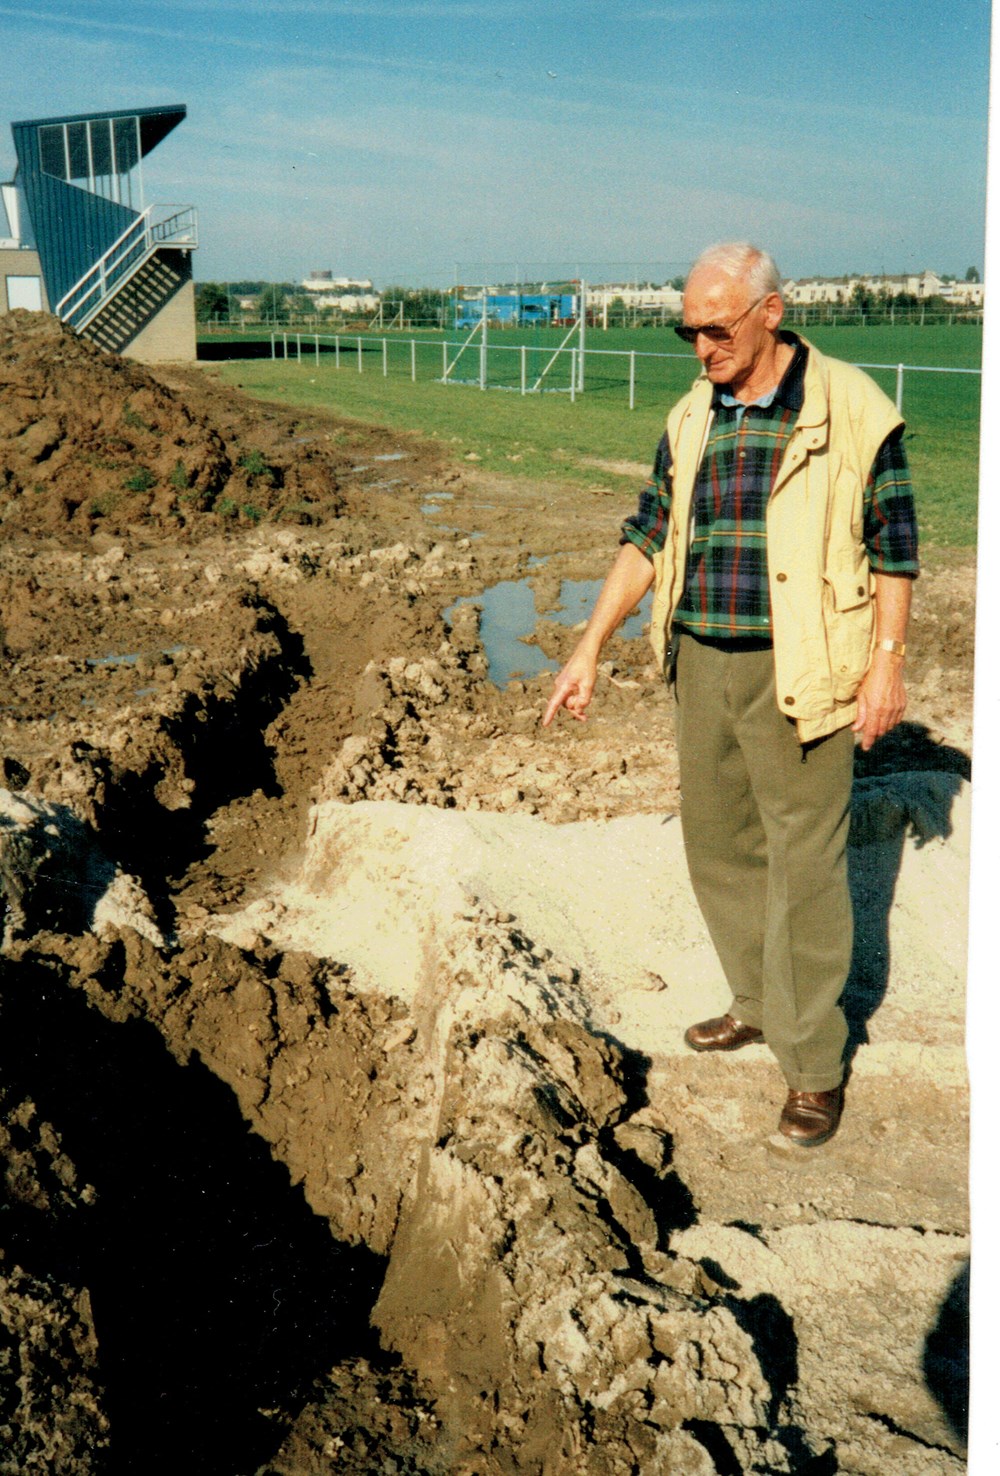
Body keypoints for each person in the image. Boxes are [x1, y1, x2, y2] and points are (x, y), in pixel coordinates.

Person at [542, 242, 918, 1147]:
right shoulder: (690, 416)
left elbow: (895, 544)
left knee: (807, 864)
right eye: (689, 331)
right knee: (719, 848)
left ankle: (814, 1066)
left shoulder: (853, 409)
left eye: (716, 328)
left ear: (771, 313)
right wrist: (589, 645)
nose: (701, 347)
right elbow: (647, 534)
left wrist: (889, 661)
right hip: (702, 660)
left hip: (805, 666)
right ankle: (757, 1003)